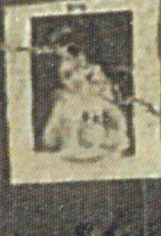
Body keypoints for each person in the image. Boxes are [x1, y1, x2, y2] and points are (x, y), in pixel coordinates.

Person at [34, 36, 135, 166]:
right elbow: (49, 139)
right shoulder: (64, 103)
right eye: (68, 75)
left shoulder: (100, 99)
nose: (76, 78)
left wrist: (112, 139)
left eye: (80, 69)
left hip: (102, 162)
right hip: (69, 163)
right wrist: (58, 125)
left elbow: (119, 123)